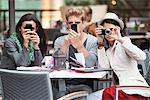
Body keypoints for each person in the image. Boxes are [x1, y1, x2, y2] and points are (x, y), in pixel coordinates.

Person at [87, 12, 150, 100]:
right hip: (121, 90)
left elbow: (142, 56)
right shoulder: (108, 51)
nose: (109, 33)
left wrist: (119, 38)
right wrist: (100, 44)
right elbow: (104, 67)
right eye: (106, 30)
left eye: (112, 29)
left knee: (92, 97)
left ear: (118, 29)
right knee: (91, 97)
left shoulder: (124, 42)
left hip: (134, 89)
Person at [54, 7, 98, 94]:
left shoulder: (92, 41)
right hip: (63, 83)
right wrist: (65, 45)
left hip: (84, 84)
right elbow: (57, 65)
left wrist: (79, 46)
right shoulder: (60, 41)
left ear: (83, 24)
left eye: (77, 23)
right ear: (67, 24)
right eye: (71, 23)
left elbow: (90, 63)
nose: (74, 25)